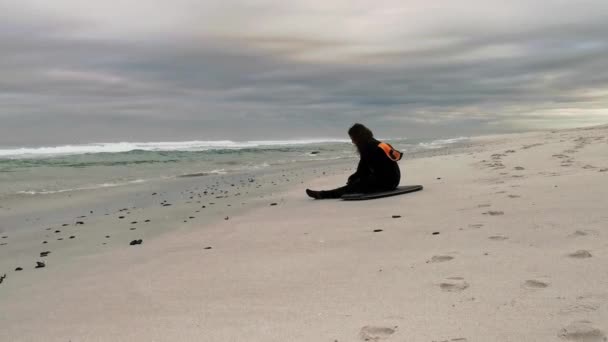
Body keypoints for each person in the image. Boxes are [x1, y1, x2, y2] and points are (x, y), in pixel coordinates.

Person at [306, 123, 402, 199]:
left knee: (353, 187)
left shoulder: (368, 148)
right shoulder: (379, 144)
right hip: (394, 179)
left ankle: (323, 194)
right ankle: (324, 194)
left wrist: (353, 179)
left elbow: (363, 170)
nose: (352, 142)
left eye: (353, 138)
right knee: (357, 182)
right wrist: (355, 177)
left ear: (359, 137)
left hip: (386, 183)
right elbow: (365, 170)